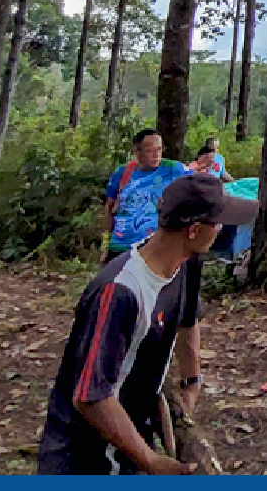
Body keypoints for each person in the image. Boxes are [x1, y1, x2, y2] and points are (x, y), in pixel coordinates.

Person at [38, 176, 226, 475]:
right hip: (86, 457)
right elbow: (91, 397)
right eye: (217, 223)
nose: (222, 229)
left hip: (132, 436)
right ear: (193, 231)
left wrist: (192, 381)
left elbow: (188, 319)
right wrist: (152, 461)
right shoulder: (120, 292)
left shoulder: (186, 262)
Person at [102, 129, 187, 265]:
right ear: (137, 151)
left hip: (154, 247)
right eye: (150, 150)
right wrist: (106, 243)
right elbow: (109, 208)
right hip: (121, 245)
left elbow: (200, 183)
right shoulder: (122, 172)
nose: (156, 155)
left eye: (159, 149)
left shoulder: (173, 169)